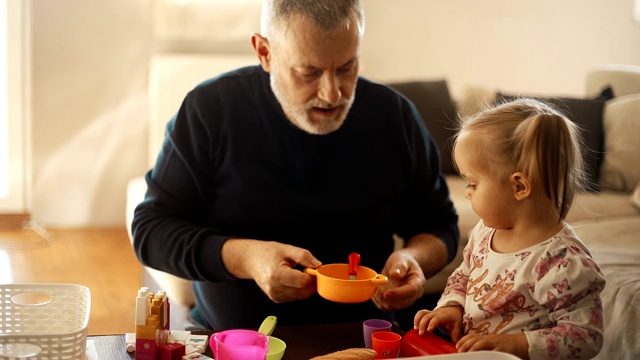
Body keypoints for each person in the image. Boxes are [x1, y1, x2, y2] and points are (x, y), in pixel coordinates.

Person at [132, 0, 459, 331]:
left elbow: (440, 226)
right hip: (233, 342)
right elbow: (150, 232)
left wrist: (414, 259)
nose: (333, 94)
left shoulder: (395, 117)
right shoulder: (209, 111)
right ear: (265, 53)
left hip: (366, 340)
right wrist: (246, 258)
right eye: (309, 72)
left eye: (347, 67)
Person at [413, 98, 606, 359]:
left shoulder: (563, 263)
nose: (468, 193)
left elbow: (586, 335)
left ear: (519, 187)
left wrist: (517, 344)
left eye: (472, 183)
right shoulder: (485, 231)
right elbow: (465, 275)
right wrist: (453, 307)